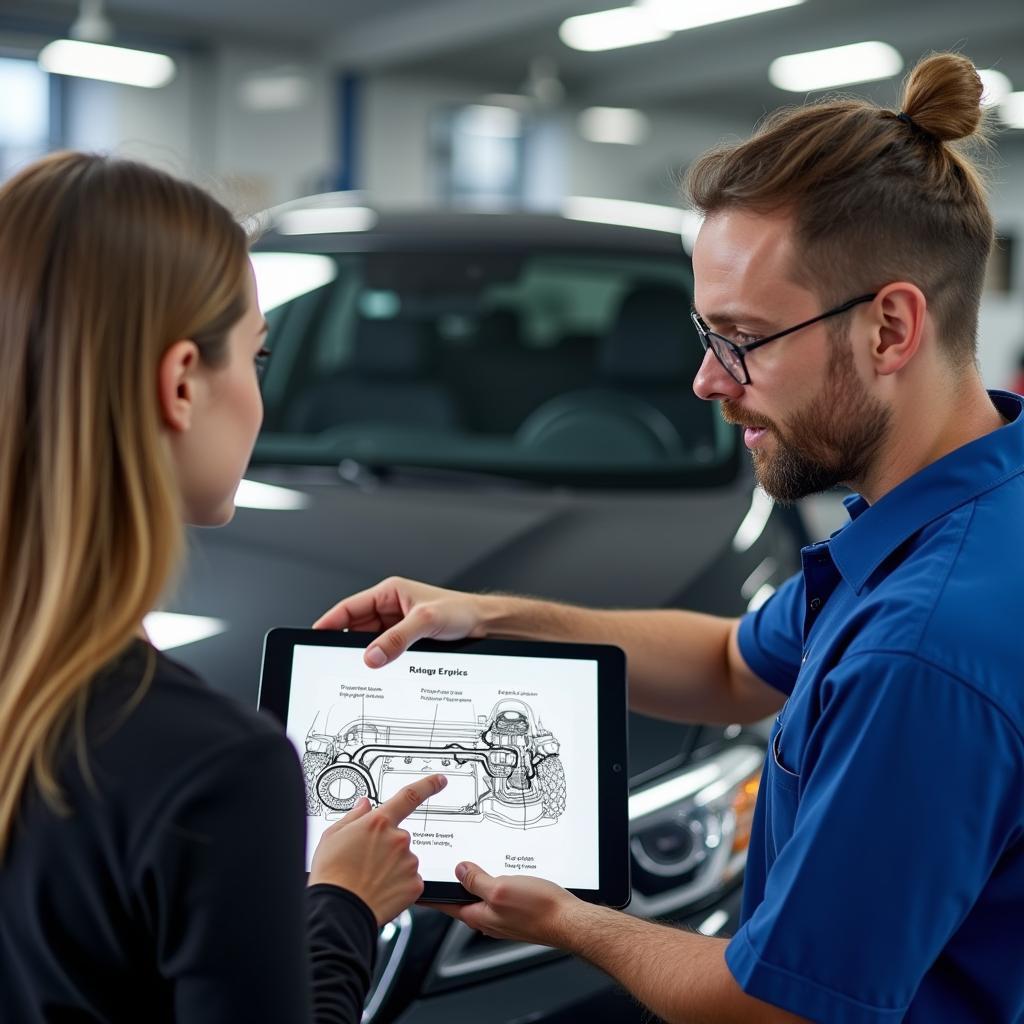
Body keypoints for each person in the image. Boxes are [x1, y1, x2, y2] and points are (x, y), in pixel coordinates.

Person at [316, 53, 1024, 1023]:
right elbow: (734, 665)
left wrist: (571, 920)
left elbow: (775, 1006)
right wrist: (488, 618)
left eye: (741, 337)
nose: (706, 380)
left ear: (888, 330)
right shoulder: (966, 503)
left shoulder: (922, 647)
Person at [0, 151, 446, 1023]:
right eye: (258, 356)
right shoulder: (213, 770)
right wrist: (344, 906)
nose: (259, 398)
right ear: (180, 385)